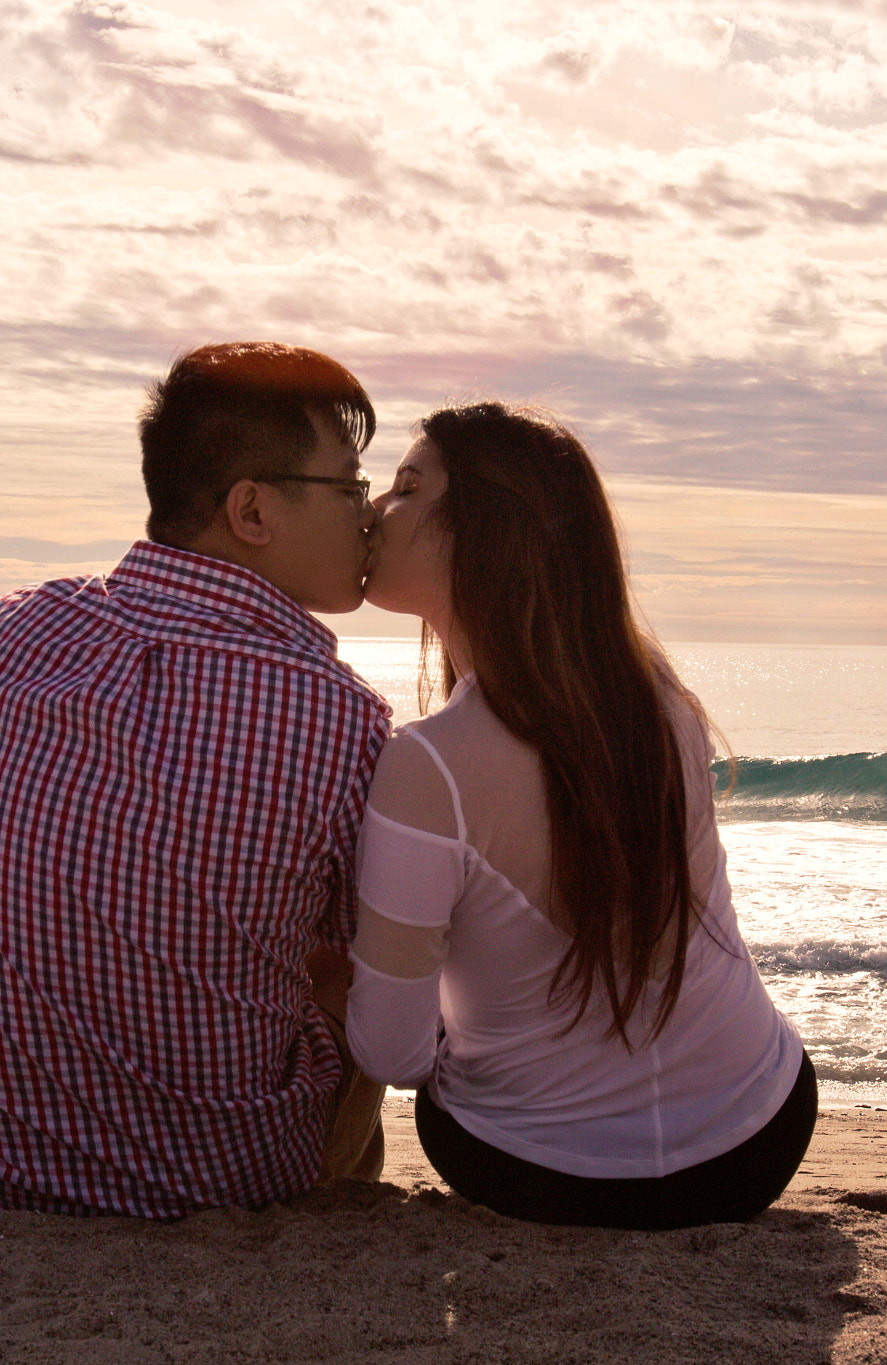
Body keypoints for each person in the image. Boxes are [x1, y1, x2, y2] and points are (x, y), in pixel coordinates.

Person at [0, 342, 393, 1218]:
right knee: (356, 953)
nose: (372, 514)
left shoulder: (14, 629)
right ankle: (340, 1176)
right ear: (252, 508)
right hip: (225, 1182)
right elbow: (383, 953)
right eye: (352, 486)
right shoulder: (339, 715)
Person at [345, 401, 815, 1230]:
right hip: (761, 1132)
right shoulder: (659, 700)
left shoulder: (428, 765)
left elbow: (393, 1054)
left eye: (408, 486)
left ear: (485, 530)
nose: (376, 508)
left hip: (541, 1172)